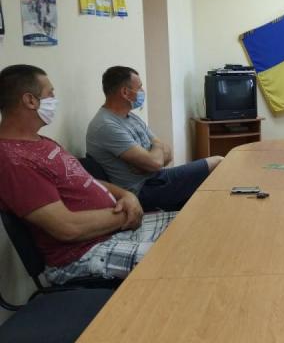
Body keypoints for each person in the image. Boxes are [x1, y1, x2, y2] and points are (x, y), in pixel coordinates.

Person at [0, 64, 176, 284]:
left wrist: (126, 196)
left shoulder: (42, 142)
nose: (54, 100)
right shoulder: (12, 160)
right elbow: (67, 228)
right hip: (82, 254)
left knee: (193, 225)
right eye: (50, 94)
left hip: (112, 231)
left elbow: (87, 181)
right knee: (180, 259)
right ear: (30, 100)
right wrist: (126, 215)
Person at [86, 66, 223, 211]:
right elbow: (156, 162)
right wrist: (154, 153)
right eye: (139, 87)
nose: (142, 91)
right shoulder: (106, 125)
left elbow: (167, 154)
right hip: (142, 191)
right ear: (125, 92)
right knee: (218, 163)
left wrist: (151, 156)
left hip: (157, 178)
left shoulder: (131, 117)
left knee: (217, 166)